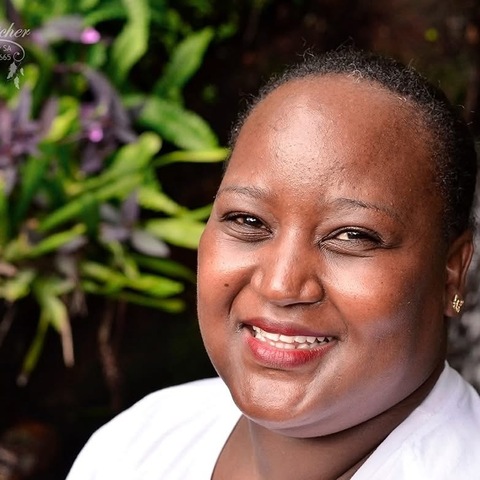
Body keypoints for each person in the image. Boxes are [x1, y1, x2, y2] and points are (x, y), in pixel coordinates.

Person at [66, 48, 480, 479]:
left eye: (352, 235)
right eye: (248, 221)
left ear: (452, 272)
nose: (280, 285)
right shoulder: (139, 441)